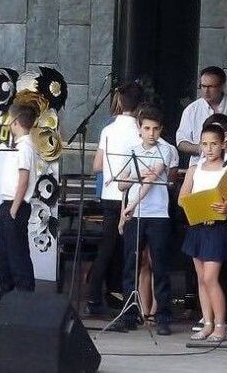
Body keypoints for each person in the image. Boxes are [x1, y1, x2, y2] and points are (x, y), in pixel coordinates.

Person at [114, 107, 178, 336]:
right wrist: (132, 179)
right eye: (147, 128)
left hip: (157, 214)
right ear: (139, 129)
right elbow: (121, 185)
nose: (151, 133)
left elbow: (151, 179)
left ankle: (162, 316)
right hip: (134, 215)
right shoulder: (132, 150)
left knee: (159, 265)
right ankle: (129, 314)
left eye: (156, 129)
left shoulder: (166, 150)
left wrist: (130, 206)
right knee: (131, 265)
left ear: (161, 129)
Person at [179, 123, 227, 343]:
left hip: (217, 227)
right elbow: (182, 198)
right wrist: (195, 204)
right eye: (204, 144)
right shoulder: (195, 169)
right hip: (198, 226)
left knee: (211, 277)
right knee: (201, 279)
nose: (209, 148)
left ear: (223, 143)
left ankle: (221, 325)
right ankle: (207, 322)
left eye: (214, 143)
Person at [86, 82, 143, 316]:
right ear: (140, 105)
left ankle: (96, 296)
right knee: (123, 250)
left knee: (108, 247)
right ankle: (114, 295)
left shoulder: (108, 129)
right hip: (131, 196)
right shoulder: (139, 132)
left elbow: (97, 166)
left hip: (109, 194)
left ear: (119, 101)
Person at [0, 103, 41, 298]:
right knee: (4, 253)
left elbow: (23, 180)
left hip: (16, 205)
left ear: (15, 122)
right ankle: (6, 293)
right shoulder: (20, 146)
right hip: (9, 204)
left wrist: (14, 208)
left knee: (17, 252)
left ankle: (23, 294)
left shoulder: (25, 148)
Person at [176, 66, 227, 166]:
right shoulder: (192, 109)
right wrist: (199, 148)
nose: (206, 91)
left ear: (222, 86)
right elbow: (181, 142)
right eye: (203, 86)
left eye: (210, 87)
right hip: (198, 166)